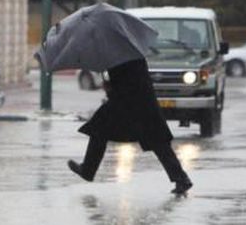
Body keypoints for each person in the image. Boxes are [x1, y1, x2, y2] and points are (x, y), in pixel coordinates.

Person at [67, 58, 193, 195]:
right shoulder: (129, 51)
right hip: (140, 101)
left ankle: (88, 170)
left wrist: (109, 84)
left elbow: (122, 81)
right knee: (157, 141)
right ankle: (181, 178)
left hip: (129, 101)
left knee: (100, 129)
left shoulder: (120, 55)